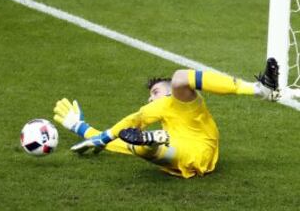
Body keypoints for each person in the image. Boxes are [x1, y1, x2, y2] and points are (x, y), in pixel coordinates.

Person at [53, 58, 279, 178]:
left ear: (171, 92)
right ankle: (152, 143)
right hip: (180, 156)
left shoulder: (185, 101)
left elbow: (133, 118)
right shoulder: (162, 111)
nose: (151, 99)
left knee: (180, 76)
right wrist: (80, 127)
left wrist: (102, 137)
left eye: (155, 92)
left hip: (199, 148)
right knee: (134, 144)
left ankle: (259, 89)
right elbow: (119, 141)